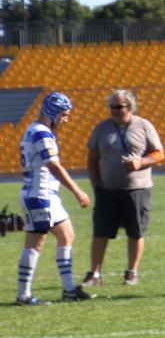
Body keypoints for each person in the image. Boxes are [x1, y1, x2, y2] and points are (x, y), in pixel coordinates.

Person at [16, 92, 94, 305]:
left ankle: (69, 290)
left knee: (67, 236)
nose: (66, 120)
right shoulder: (42, 133)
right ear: (52, 113)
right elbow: (53, 165)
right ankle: (23, 296)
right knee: (34, 244)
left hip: (47, 195)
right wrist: (77, 191)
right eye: (64, 115)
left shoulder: (34, 130)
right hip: (39, 196)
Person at [82, 89, 164, 287]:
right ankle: (94, 274)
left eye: (119, 107)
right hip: (107, 190)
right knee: (100, 232)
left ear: (130, 106)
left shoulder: (144, 125)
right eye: (112, 107)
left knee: (136, 232)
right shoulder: (101, 128)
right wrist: (96, 185)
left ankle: (132, 272)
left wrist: (141, 162)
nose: (115, 111)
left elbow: (159, 154)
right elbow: (92, 160)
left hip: (137, 189)